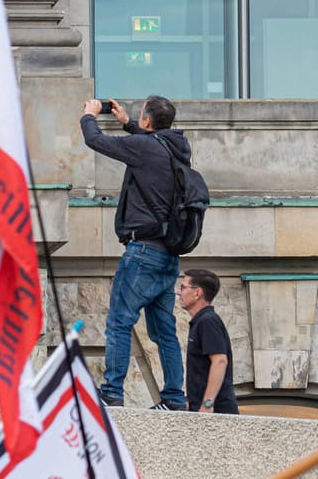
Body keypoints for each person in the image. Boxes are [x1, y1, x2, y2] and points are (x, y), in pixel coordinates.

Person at [83, 95, 191, 409]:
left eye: (140, 117)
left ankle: (111, 393)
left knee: (119, 321)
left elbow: (95, 141)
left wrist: (90, 115)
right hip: (167, 254)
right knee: (163, 330)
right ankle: (174, 398)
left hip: (142, 251)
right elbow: (149, 146)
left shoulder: (146, 148)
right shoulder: (176, 148)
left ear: (148, 121)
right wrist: (128, 123)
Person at [178, 268, 238, 414]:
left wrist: (207, 404)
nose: (178, 292)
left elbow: (220, 361)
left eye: (183, 288)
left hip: (216, 413)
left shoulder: (207, 321)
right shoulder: (201, 321)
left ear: (197, 293)